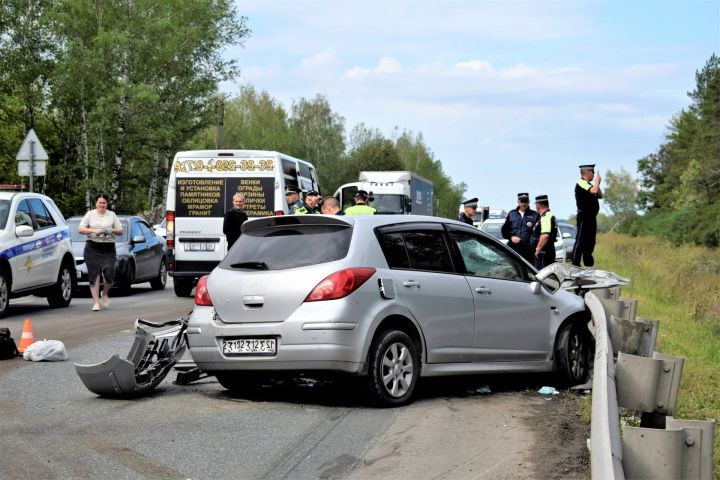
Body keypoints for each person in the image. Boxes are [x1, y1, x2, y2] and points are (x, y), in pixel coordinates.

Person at [78, 193, 123, 312]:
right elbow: (81, 229)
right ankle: (96, 303)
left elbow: (120, 231)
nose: (101, 205)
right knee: (94, 275)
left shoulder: (112, 215)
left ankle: (105, 293)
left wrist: (111, 230)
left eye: (104, 203)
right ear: (96, 203)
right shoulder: (90, 214)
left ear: (107, 204)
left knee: (109, 274)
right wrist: (93, 230)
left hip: (108, 248)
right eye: (99, 202)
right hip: (92, 247)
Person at [572, 164, 602, 267]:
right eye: (592, 172)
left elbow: (600, 195)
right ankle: (575, 264)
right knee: (580, 242)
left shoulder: (589, 185)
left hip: (591, 218)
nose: (593, 174)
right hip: (584, 217)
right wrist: (596, 182)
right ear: (588, 172)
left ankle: (588, 265)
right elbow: (594, 190)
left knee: (590, 243)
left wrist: (598, 184)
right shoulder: (581, 183)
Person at [501, 193, 539, 264]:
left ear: (529, 202)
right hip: (513, 249)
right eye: (521, 201)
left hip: (528, 251)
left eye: (525, 201)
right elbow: (504, 231)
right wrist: (511, 237)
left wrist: (533, 245)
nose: (523, 204)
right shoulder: (511, 214)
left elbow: (538, 233)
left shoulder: (535, 215)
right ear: (518, 202)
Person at [530, 195, 558, 270]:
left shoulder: (546, 216)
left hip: (543, 254)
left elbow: (545, 235)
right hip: (547, 252)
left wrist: (538, 249)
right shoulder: (549, 215)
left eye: (536, 204)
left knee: (541, 276)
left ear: (539, 205)